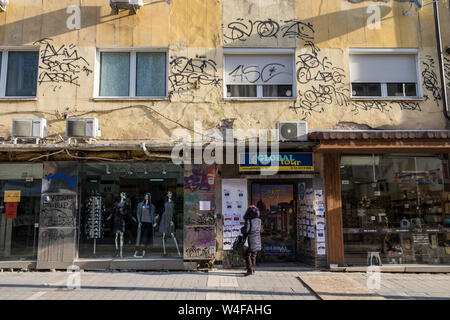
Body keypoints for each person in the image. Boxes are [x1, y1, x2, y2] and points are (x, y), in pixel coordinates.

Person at [241, 205, 261, 276]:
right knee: (253, 255)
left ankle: (249, 270)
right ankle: (253, 270)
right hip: (257, 240)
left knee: (247, 255)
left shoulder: (249, 220)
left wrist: (241, 229)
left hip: (250, 240)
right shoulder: (259, 220)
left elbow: (246, 230)